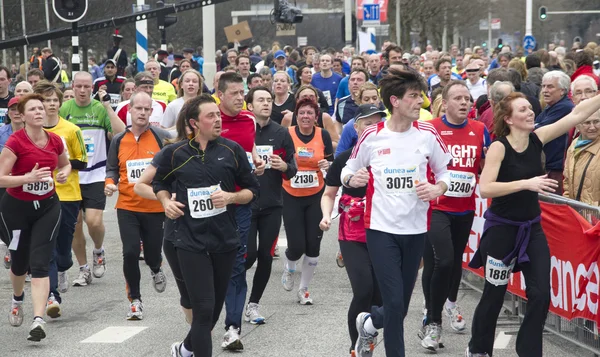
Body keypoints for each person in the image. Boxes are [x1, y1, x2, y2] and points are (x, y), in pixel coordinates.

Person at [466, 91, 600, 357]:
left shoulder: (537, 138)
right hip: (502, 231)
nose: (530, 113)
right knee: (494, 294)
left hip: (532, 229)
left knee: (540, 295)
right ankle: (478, 349)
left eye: (530, 108)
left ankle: (528, 351)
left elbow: (577, 114)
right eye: (523, 110)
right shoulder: (499, 147)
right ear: (509, 119)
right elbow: (485, 188)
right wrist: (527, 184)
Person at [341, 68, 452, 357]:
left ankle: (369, 322)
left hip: (415, 230)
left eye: (421, 96)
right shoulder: (372, 136)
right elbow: (347, 170)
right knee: (393, 301)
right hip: (380, 229)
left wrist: (438, 188)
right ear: (395, 101)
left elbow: (446, 172)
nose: (421, 102)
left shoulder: (428, 134)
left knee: (399, 307)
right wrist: (351, 180)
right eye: (414, 96)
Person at [151, 93, 259, 357]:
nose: (218, 120)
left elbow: (252, 190)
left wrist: (231, 197)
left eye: (218, 115)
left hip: (224, 240)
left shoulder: (232, 151)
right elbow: (159, 184)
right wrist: (165, 202)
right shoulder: (174, 153)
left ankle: (185, 350)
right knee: (203, 309)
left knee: (211, 312)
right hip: (190, 240)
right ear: (194, 123)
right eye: (210, 116)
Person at [419, 81, 490, 351]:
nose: (464, 103)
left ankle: (447, 304)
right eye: (458, 98)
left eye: (467, 98)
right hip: (436, 207)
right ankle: (433, 321)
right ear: (445, 103)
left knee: (454, 262)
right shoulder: (431, 129)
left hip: (465, 208)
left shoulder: (480, 130)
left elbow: (485, 164)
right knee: (443, 260)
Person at [0, 93, 71, 341]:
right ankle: (17, 298)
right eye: (33, 109)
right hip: (16, 209)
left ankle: (38, 320)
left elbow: (65, 164)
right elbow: (0, 177)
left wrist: (63, 173)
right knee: (20, 262)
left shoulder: (55, 140)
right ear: (23, 114)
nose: (40, 112)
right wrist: (26, 179)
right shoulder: (15, 142)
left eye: (42, 108)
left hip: (48, 207)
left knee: (40, 262)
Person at [320, 104, 384, 356]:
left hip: (383, 231)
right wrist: (326, 216)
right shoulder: (344, 158)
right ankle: (354, 346)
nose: (372, 127)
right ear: (356, 128)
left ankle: (368, 333)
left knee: (380, 296)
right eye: (367, 123)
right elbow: (328, 194)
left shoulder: (388, 157)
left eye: (377, 122)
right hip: (353, 234)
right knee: (364, 289)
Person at [105, 92, 170, 320]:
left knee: (152, 254)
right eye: (138, 109)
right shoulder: (118, 140)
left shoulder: (161, 137)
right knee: (130, 251)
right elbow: (112, 168)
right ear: (130, 111)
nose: (142, 113)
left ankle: (155, 268)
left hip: (154, 207)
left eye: (146, 109)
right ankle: (135, 300)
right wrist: (110, 183)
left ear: (151, 112)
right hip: (127, 206)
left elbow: (172, 166)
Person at [59, 71, 126, 287]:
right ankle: (83, 268)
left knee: (93, 221)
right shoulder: (65, 110)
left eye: (86, 87)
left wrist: (107, 107)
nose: (81, 90)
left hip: (96, 173)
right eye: (78, 86)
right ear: (73, 86)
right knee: (75, 225)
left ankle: (98, 250)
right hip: (72, 174)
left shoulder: (99, 109)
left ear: (93, 88)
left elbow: (119, 133)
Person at [216, 71, 266, 351]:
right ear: (220, 95)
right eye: (234, 93)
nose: (240, 98)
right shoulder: (209, 119)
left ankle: (232, 327)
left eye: (242, 92)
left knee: (237, 264)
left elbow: (249, 147)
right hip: (212, 206)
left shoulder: (248, 119)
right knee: (213, 264)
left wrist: (255, 159)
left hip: (242, 201)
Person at [34, 81, 87, 318]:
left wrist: (66, 169)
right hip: (42, 195)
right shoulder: (32, 134)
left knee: (64, 250)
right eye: (46, 100)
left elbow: (82, 161)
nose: (51, 104)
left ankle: (64, 267)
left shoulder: (71, 130)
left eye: (55, 100)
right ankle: (52, 295)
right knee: (49, 248)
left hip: (69, 194)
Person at [244, 86, 297, 324]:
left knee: (265, 255)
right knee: (247, 256)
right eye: (261, 100)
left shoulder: (281, 133)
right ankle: (230, 289)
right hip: (244, 205)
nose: (266, 104)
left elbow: (292, 168)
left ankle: (253, 304)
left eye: (268, 100)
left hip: (272, 204)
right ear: (250, 106)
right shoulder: (242, 132)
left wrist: (284, 167)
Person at [281, 97, 334, 305]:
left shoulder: (323, 135)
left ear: (316, 116)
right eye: (302, 112)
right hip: (290, 194)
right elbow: (281, 158)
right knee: (296, 246)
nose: (305, 116)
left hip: (316, 196)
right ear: (296, 115)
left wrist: (327, 164)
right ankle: (290, 266)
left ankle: (304, 289)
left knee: (313, 245)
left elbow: (331, 161)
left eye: (310, 113)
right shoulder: (288, 133)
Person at [535, 71, 575, 195]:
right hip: (548, 165)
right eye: (543, 86)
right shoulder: (551, 106)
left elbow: (537, 130)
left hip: (555, 168)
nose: (545, 90)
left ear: (562, 91)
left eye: (550, 86)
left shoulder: (564, 107)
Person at [563, 109, 600, 205]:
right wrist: (568, 204)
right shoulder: (574, 145)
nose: (592, 127)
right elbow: (567, 180)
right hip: (576, 213)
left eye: (596, 122)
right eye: (587, 123)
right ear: (577, 125)